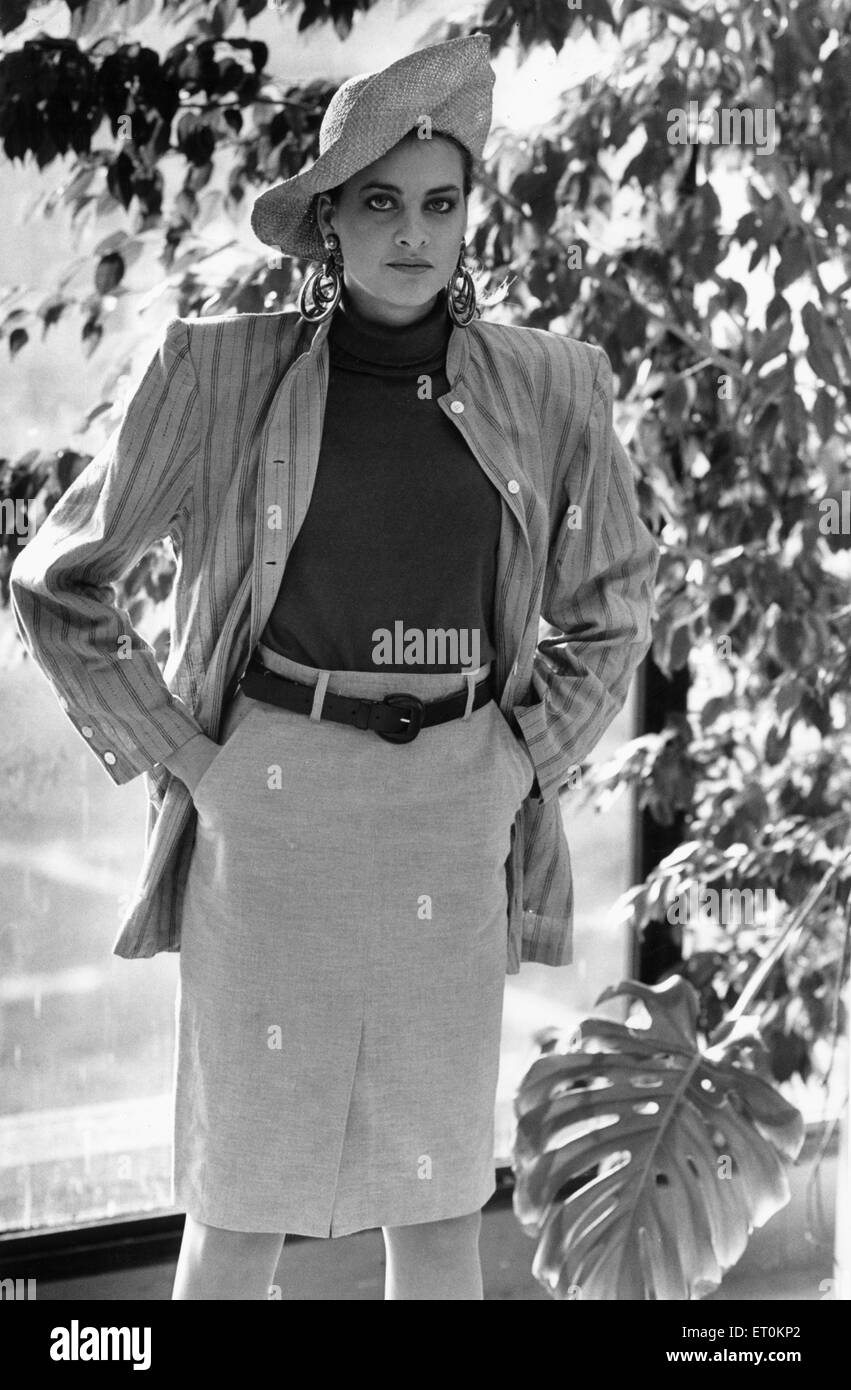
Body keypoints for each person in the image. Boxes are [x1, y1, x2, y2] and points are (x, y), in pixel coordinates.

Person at [9, 34, 659, 1300]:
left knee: (433, 1208)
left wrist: (519, 761)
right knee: (240, 1200)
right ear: (326, 223)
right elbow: (58, 578)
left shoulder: (553, 385)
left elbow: (613, 605)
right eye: (379, 203)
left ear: (470, 214)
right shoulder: (219, 370)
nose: (412, 234)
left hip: (451, 811)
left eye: (440, 202)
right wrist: (196, 763)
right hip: (273, 810)